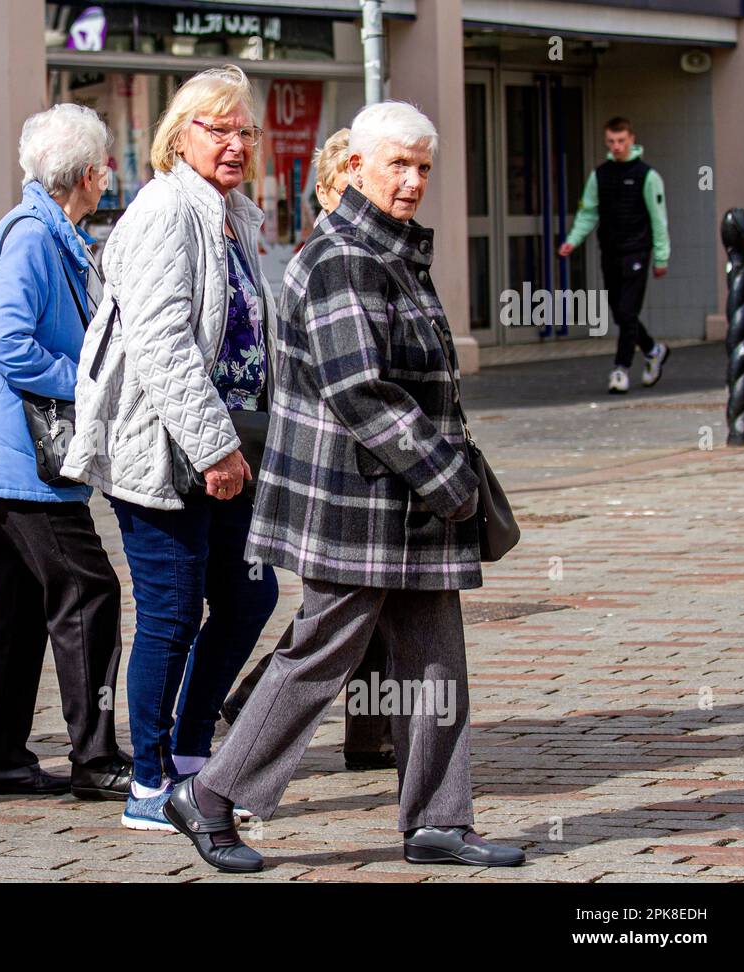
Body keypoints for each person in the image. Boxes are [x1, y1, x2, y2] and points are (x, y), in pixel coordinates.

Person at [163, 102, 525, 873]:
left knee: (434, 664)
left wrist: (442, 484)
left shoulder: (386, 249)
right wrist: (453, 479)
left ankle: (438, 819)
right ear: (355, 166)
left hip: (403, 501)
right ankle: (210, 794)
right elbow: (362, 389)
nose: (413, 180)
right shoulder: (346, 256)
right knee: (320, 653)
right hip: (360, 502)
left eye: (423, 167)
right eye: (398, 164)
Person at [61, 65, 279, 832]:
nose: (233, 143)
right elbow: (161, 346)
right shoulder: (163, 211)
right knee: (171, 612)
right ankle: (148, 782)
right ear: (176, 137)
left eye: (243, 130)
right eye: (216, 129)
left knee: (251, 595)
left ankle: (190, 755)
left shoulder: (231, 215)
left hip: (232, 449)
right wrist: (215, 446)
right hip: (165, 452)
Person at [0, 104, 131, 800]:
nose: (108, 176)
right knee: (89, 590)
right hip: (19, 458)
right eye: (105, 165)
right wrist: (83, 386)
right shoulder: (31, 236)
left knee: (19, 604)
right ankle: (95, 757)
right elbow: (4, 341)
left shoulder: (41, 231)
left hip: (9, 453)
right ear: (86, 175)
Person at [220, 127, 396, 773]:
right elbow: (354, 383)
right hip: (335, 468)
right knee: (336, 616)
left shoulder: (364, 250)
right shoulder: (332, 258)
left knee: (364, 606)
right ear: (331, 188)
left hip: (355, 465)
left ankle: (370, 736)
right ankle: (231, 756)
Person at [559, 116, 671, 395]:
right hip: (609, 251)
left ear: (632, 139)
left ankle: (621, 369)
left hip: (637, 251)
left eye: (621, 141)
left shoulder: (648, 176)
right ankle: (653, 350)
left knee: (627, 311)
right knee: (621, 314)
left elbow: (659, 220)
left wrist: (661, 257)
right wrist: (573, 241)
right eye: (611, 141)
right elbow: (588, 213)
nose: (617, 146)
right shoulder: (599, 176)